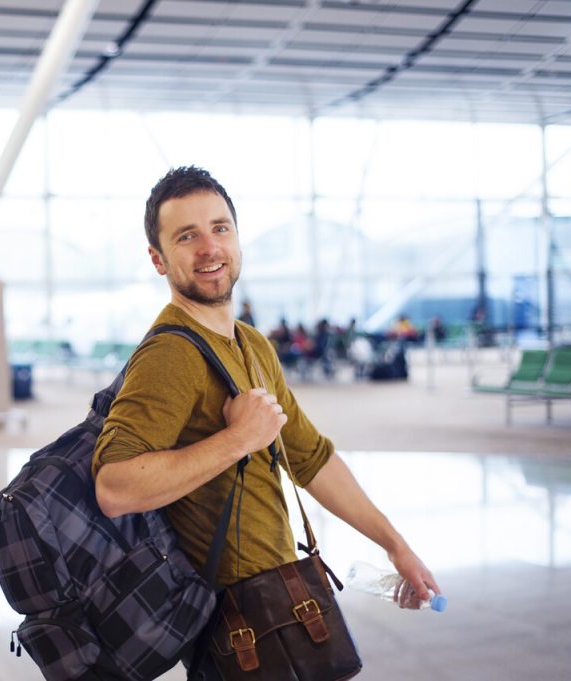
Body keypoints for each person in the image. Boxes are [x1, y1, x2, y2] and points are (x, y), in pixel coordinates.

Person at [91, 166, 438, 675]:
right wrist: (238, 439)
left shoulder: (251, 344)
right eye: (187, 236)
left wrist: (395, 546)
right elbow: (114, 488)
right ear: (158, 259)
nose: (210, 248)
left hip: (280, 600)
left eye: (220, 228)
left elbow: (311, 458)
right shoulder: (170, 354)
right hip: (233, 626)